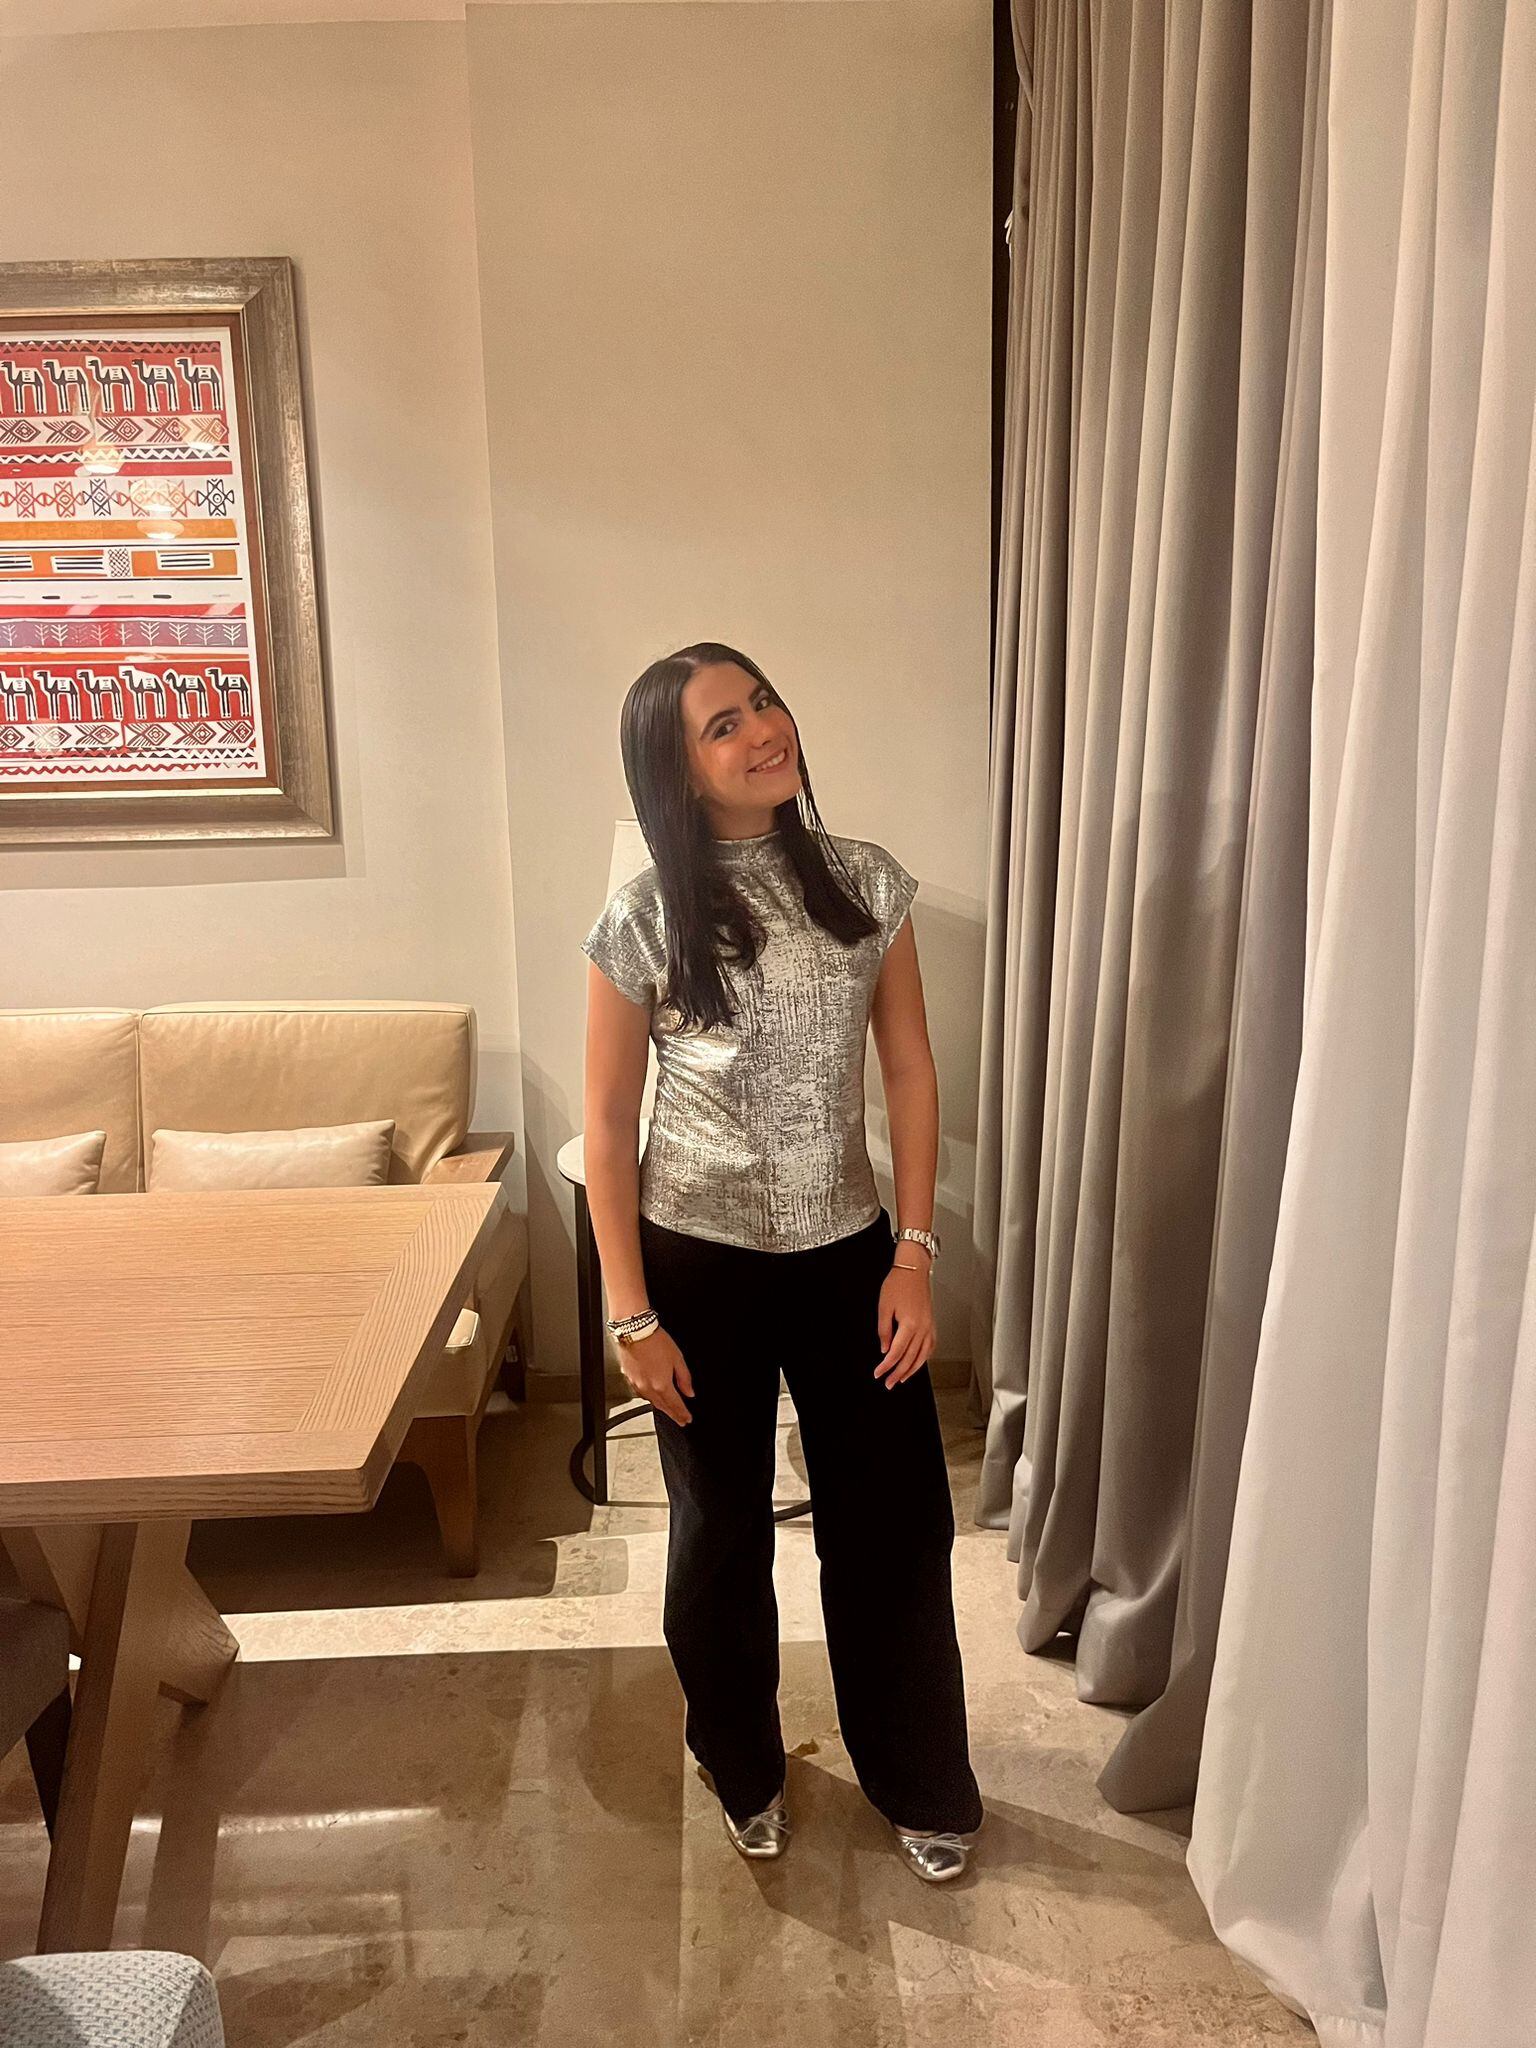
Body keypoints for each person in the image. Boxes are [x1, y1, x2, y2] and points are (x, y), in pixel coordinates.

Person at [580, 641, 985, 1882]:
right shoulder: (643, 914)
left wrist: (914, 1252)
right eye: (722, 724)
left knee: (894, 1528)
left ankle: (919, 1776)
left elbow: (908, 1068)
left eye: (763, 702)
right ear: (676, 768)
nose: (764, 729)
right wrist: (631, 1313)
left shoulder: (865, 882)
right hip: (696, 1270)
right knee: (718, 1536)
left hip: (851, 1257)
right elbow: (609, 1118)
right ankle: (742, 1761)